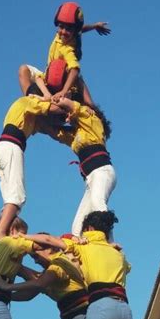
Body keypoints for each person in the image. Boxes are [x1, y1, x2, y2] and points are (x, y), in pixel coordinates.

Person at [0, 95, 66, 238]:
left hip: (1, 148)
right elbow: (54, 108)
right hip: (11, 147)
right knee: (17, 197)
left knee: (9, 198)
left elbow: (51, 130)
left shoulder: (28, 114)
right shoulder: (28, 101)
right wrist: (69, 106)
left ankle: (2, 230)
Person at [18, 1, 110, 107]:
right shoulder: (62, 35)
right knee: (23, 69)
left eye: (68, 29)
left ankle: (90, 111)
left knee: (88, 101)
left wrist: (64, 91)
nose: (63, 32)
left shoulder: (67, 49)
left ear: (74, 31)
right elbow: (81, 29)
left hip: (63, 84)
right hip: (48, 78)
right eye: (61, 27)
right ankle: (31, 106)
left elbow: (75, 69)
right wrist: (94, 26)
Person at [50, 97, 116, 235]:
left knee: (98, 204)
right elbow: (53, 131)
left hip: (102, 171)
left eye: (67, 115)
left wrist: (50, 98)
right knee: (77, 226)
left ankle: (110, 245)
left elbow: (69, 104)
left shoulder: (91, 118)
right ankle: (79, 253)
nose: (67, 118)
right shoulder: (77, 135)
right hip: (90, 179)